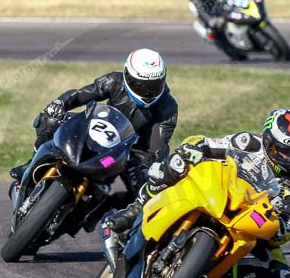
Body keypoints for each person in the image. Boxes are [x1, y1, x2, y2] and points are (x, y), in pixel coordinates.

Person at [103, 109, 290, 278]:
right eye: (285, 151)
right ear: (268, 142)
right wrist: (196, 148)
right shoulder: (248, 142)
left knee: (278, 273)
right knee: (175, 163)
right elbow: (212, 144)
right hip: (222, 193)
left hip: (252, 223)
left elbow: (285, 232)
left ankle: (204, 275)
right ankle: (132, 214)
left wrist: (279, 225)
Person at [9, 48, 178, 220]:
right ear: (127, 75)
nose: (147, 92)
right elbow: (81, 94)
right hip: (96, 127)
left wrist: (143, 166)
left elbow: (158, 148)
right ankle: (31, 162)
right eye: (140, 85)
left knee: (141, 187)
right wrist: (61, 103)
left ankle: (102, 215)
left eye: (153, 86)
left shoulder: (168, 108)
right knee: (50, 120)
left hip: (126, 152)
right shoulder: (114, 80)